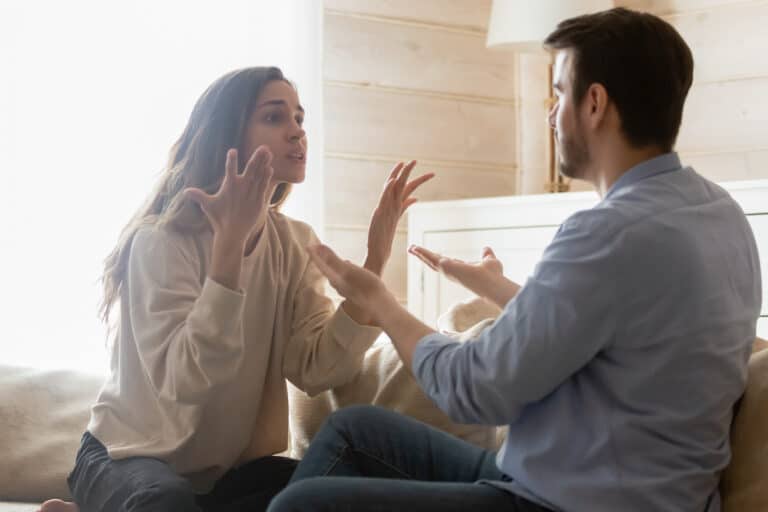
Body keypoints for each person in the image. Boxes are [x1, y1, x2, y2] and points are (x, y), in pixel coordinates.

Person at [267, 8, 762, 512]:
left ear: (594, 103)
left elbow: (473, 389)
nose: (551, 114)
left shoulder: (608, 232)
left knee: (299, 505)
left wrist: (381, 304)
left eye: (560, 93)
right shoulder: (720, 214)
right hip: (597, 482)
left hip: (564, 503)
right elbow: (618, 332)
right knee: (354, 430)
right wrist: (497, 289)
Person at [38, 66, 433, 512]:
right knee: (166, 502)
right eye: (274, 117)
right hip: (127, 456)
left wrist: (374, 263)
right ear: (227, 135)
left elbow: (315, 370)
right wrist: (228, 250)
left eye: (299, 118)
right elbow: (185, 385)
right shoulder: (160, 240)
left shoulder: (295, 242)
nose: (297, 132)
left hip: (224, 475)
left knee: (334, 490)